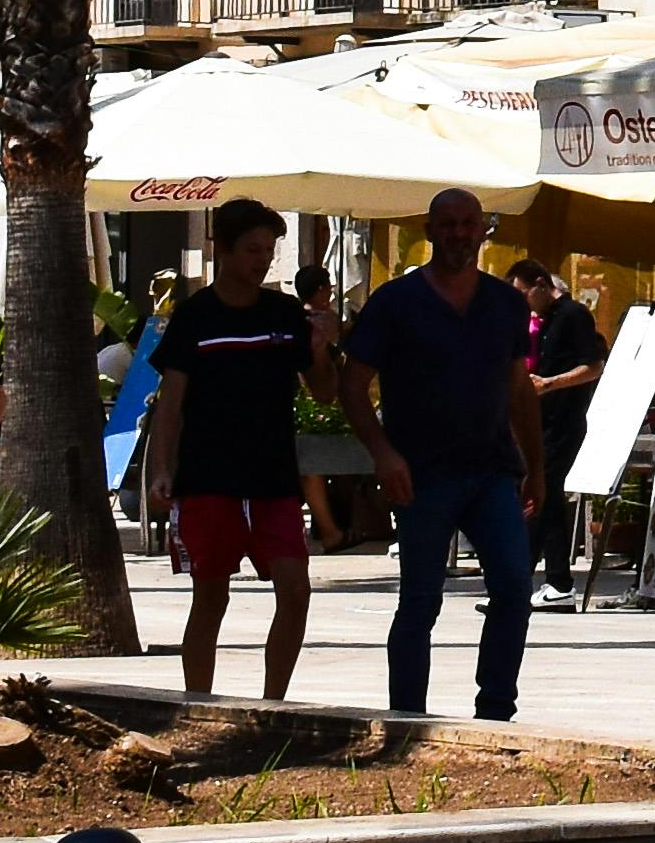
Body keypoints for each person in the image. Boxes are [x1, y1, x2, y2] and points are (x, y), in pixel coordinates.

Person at [339, 189, 546, 722]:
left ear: (483, 230)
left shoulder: (505, 304)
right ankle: (408, 718)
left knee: (513, 586)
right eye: (447, 224)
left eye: (467, 224)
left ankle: (496, 711)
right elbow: (353, 385)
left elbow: (518, 387)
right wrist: (383, 454)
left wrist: (536, 467)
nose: (458, 233)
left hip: (492, 469)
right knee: (420, 601)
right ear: (429, 231)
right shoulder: (395, 302)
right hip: (422, 473)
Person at [137, 199, 322, 703]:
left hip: (274, 477)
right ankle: (198, 702)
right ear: (224, 249)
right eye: (251, 249)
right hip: (208, 477)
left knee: (296, 591)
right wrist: (161, 470)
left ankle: (274, 704)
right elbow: (171, 402)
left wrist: (327, 346)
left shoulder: (285, 314)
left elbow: (323, 389)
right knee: (211, 597)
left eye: (269, 249)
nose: (261, 260)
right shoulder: (195, 316)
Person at [511, 256, 606, 605]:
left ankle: (523, 581)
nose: (523, 302)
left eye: (523, 294)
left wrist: (550, 384)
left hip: (564, 421)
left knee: (540, 495)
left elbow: (593, 366)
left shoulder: (573, 315)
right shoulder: (545, 320)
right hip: (541, 422)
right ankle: (556, 583)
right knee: (545, 499)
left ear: (539, 283)